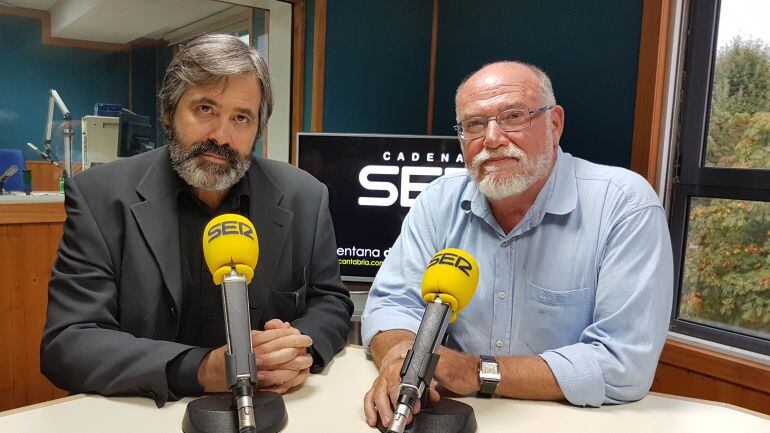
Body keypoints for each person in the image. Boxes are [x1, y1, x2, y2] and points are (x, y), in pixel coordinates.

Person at [40, 34, 353, 406]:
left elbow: (331, 301)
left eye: (241, 118)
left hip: (273, 406)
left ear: (257, 130)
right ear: (169, 112)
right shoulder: (100, 197)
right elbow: (68, 342)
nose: (221, 136)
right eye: (205, 109)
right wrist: (202, 369)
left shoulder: (305, 196)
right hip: (143, 412)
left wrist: (297, 350)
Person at [361, 61, 673, 426]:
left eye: (513, 116)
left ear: (554, 124)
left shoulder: (625, 205)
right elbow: (393, 303)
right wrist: (400, 356)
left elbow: (624, 364)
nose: (491, 139)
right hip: (455, 415)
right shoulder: (437, 201)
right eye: (474, 124)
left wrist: (477, 372)